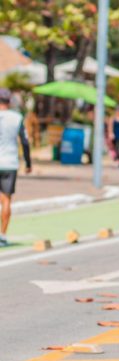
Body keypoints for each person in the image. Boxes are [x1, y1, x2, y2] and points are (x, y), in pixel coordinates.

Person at [0, 89, 32, 247]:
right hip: (9, 162)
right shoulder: (16, 117)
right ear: (9, 102)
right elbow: (25, 142)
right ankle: (3, 236)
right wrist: (28, 163)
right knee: (6, 200)